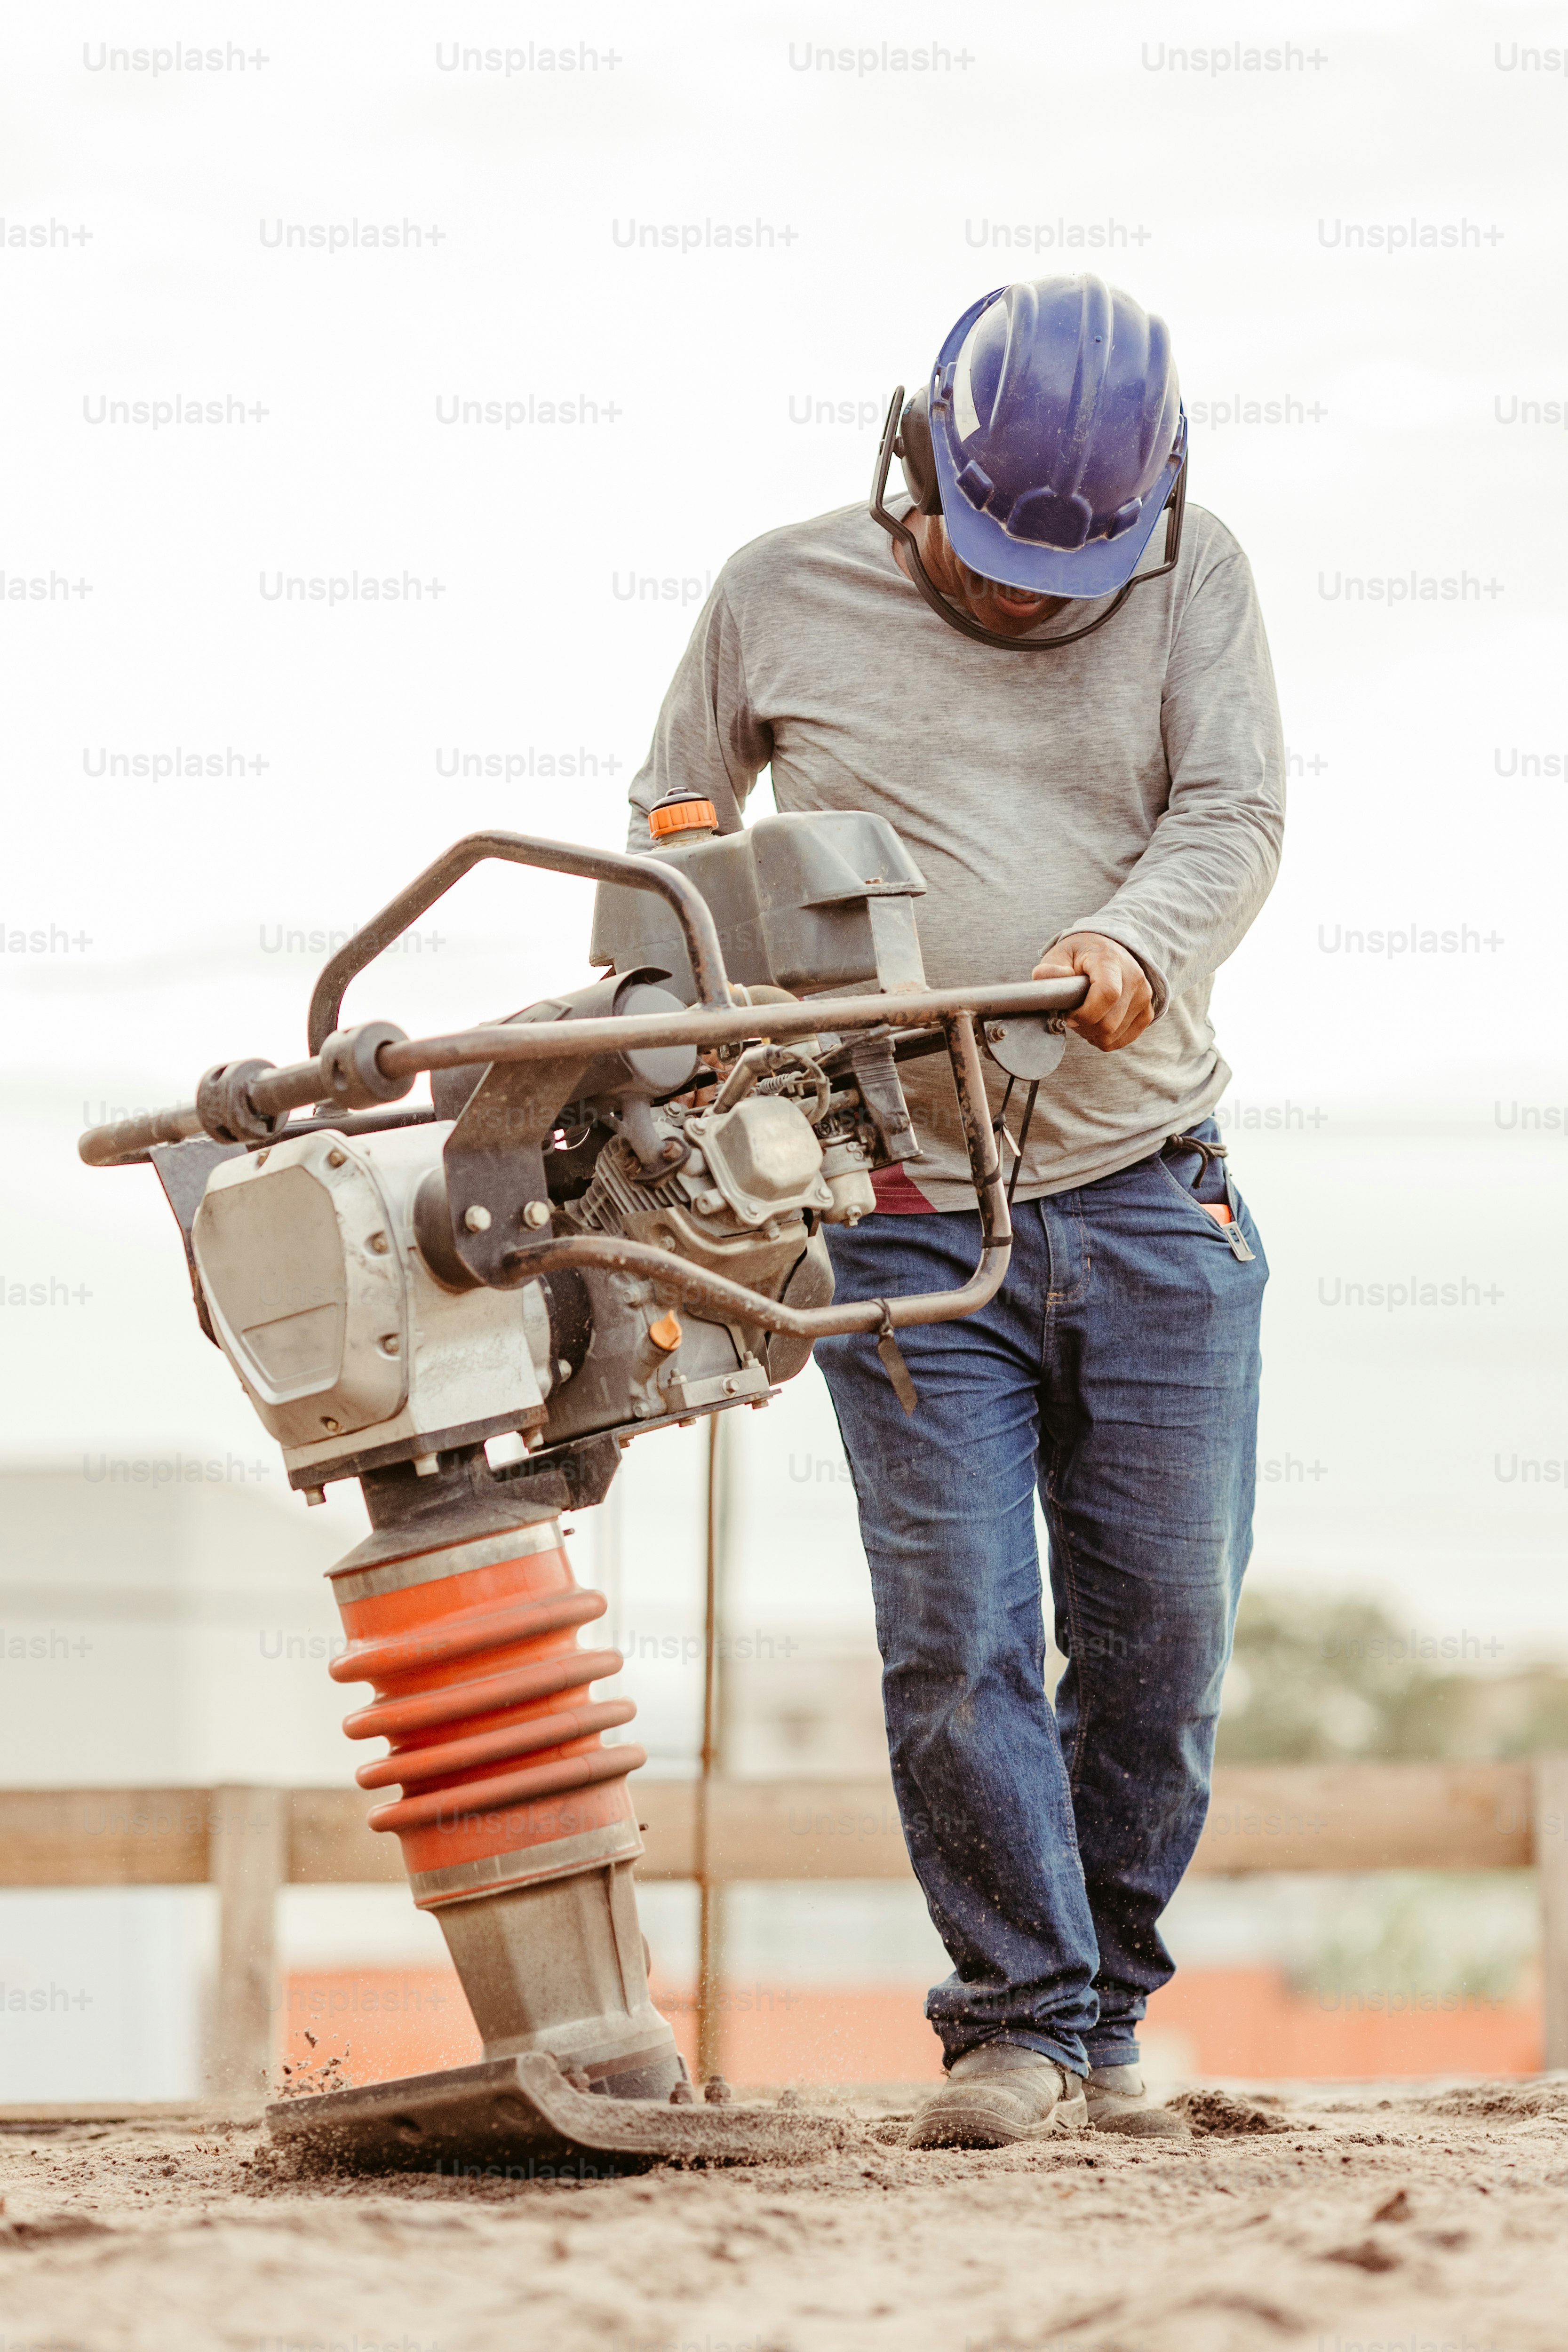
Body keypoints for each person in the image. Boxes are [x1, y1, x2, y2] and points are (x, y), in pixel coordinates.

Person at [626, 275, 1284, 2145]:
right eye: (994, 562)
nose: (1025, 599)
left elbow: (1231, 815)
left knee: (1159, 1645)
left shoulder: (1194, 575)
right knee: (958, 1636)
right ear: (912, 455)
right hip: (904, 1206)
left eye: (1066, 574)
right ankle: (1015, 2024)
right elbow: (675, 819)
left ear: (1151, 503)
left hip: (1153, 1188)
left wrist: (1127, 941)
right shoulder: (775, 593)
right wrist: (731, 1008)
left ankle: (1108, 2015)